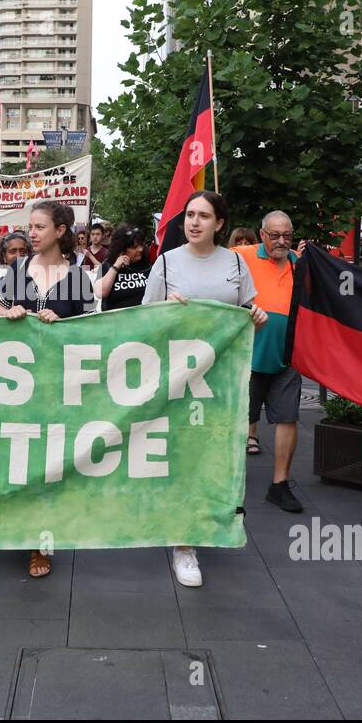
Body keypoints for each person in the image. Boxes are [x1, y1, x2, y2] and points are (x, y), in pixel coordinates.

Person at [143, 190, 268, 587]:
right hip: (178, 378)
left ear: (220, 223)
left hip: (222, 382)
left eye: (204, 216)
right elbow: (143, 321)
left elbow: (247, 311)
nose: (194, 222)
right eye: (190, 215)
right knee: (182, 456)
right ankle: (185, 545)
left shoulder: (235, 262)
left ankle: (206, 521)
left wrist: (256, 316)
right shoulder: (165, 263)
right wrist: (164, 309)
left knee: (214, 456)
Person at [0, 200, 95, 578]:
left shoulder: (79, 277)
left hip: (58, 387)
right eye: (30, 226)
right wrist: (11, 314)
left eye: (39, 227)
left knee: (47, 463)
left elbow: (91, 331)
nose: (31, 233)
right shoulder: (18, 269)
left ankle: (40, 542)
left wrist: (64, 325)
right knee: (18, 458)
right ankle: (19, 531)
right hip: (17, 387)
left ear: (60, 231)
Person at [233, 212, 307, 513]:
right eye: (275, 235)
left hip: (287, 357)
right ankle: (229, 487)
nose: (281, 241)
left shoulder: (297, 263)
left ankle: (280, 485)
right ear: (261, 234)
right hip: (246, 358)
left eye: (287, 235)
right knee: (236, 425)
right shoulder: (241, 255)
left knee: (288, 418)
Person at [94, 224, 149, 311]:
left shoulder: (147, 265)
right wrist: (115, 267)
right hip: (115, 321)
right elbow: (100, 293)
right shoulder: (108, 265)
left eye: (141, 245)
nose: (140, 249)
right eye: (134, 247)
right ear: (122, 249)